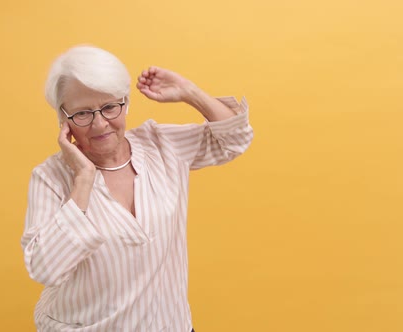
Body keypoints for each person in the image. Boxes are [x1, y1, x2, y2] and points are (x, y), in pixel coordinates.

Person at [21, 45, 253, 332]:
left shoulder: (160, 144)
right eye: (82, 113)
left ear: (126, 103)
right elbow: (46, 268)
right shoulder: (50, 177)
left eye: (109, 107)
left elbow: (235, 138)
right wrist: (83, 178)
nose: (99, 123)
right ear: (63, 118)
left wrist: (189, 92)